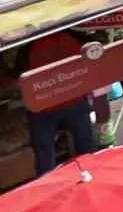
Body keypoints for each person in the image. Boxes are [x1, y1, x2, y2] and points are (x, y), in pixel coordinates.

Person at [16, 30, 99, 175]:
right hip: (73, 99)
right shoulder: (73, 35)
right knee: (86, 144)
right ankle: (92, 171)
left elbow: (20, 76)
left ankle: (47, 180)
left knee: (44, 152)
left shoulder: (28, 48)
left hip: (44, 107)